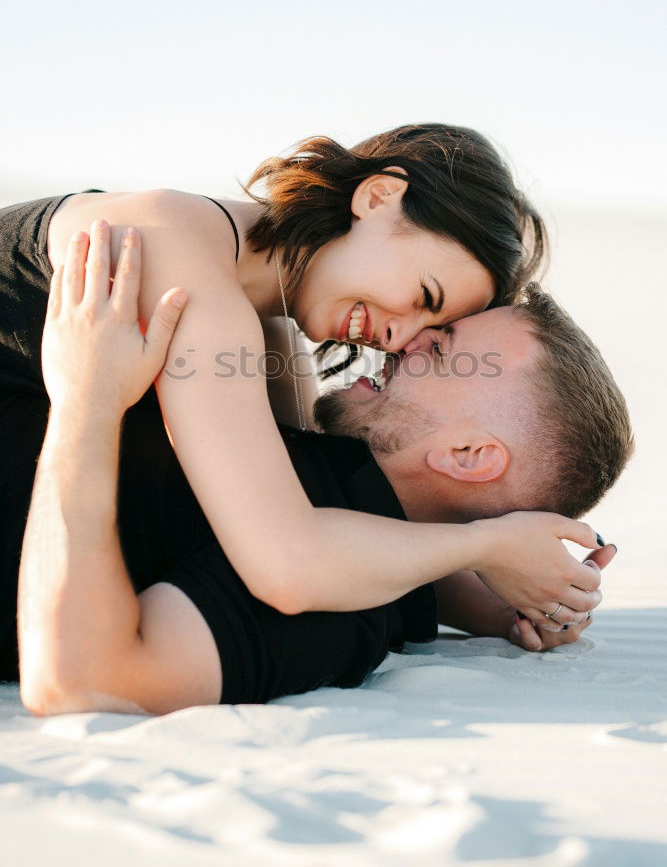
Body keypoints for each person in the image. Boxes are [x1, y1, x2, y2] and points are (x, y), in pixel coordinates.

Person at [0, 124, 600, 641]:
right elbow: (285, 559)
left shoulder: (258, 314)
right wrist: (489, 547)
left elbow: (300, 506)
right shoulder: (176, 263)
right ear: (380, 196)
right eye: (422, 297)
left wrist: (497, 604)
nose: (396, 340)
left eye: (431, 325)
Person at [16, 230, 631, 714]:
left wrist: (86, 403)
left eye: (439, 347)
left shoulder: (338, 605)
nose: (406, 340)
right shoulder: (316, 480)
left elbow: (86, 677)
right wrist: (493, 595)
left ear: (468, 456)